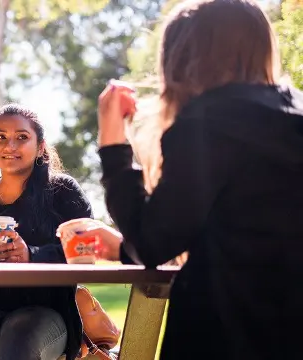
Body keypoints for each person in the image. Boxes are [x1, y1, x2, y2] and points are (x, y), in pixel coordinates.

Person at [94, 0, 303, 359]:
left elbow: (154, 243)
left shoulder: (207, 124)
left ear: (183, 60)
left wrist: (112, 144)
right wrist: (121, 249)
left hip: (221, 336)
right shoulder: (294, 116)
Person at [0, 103, 120, 360]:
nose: (10, 146)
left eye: (22, 137)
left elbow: (84, 255)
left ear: (40, 146)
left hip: (44, 311)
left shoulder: (63, 193)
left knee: (19, 340)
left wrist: (31, 256)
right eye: (1, 138)